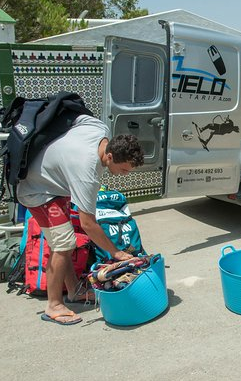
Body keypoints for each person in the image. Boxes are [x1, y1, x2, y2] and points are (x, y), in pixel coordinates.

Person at [17, 115, 145, 325]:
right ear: (110, 156)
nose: (124, 175)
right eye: (123, 169)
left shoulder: (98, 129)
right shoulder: (87, 172)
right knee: (64, 243)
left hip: (54, 181)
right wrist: (117, 252)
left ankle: (75, 291)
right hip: (37, 190)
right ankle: (53, 305)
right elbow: (88, 223)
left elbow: (78, 116)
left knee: (67, 240)